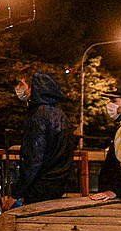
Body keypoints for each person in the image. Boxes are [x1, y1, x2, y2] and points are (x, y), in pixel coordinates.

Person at [5, 71, 74, 210]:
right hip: (58, 184)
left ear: (35, 89)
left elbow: (33, 159)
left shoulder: (38, 116)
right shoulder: (60, 114)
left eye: (24, 84)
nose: (20, 88)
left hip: (40, 187)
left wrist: (16, 193)